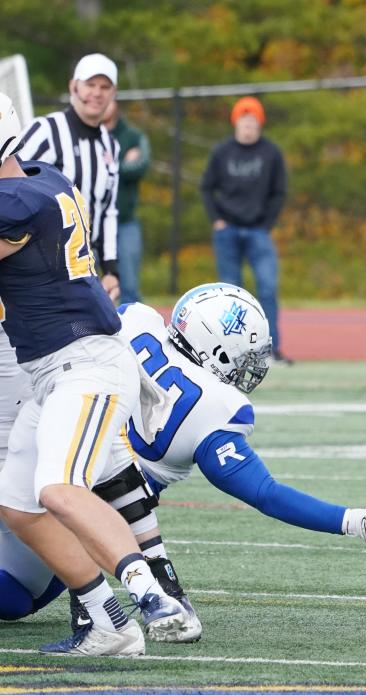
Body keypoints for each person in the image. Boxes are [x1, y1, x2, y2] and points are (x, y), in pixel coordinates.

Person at [0, 283, 366, 636]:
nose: (248, 368)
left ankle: (112, 605)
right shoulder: (216, 407)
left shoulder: (136, 320)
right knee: (19, 598)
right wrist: (346, 519)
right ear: (218, 348)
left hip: (43, 464)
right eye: (245, 356)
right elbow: (265, 493)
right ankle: (101, 609)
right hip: (80, 519)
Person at [0, 92, 190, 656]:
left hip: (84, 364)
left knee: (58, 487)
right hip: (56, 371)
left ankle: (150, 594)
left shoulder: (14, 204)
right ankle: (106, 621)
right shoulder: (43, 179)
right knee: (18, 504)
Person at [17, 53, 121, 302]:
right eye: (90, 85)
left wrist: (111, 269)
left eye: (105, 87)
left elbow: (107, 210)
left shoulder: (111, 146)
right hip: (37, 258)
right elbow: (10, 181)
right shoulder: (46, 130)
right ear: (73, 86)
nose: (97, 93)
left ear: (113, 94)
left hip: (82, 261)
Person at [201, 96, 289, 362]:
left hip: (258, 231)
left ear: (259, 124)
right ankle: (233, 350)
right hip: (227, 231)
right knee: (231, 293)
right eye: (244, 121)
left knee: (267, 288)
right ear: (236, 123)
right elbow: (206, 187)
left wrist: (266, 224)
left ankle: (269, 349)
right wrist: (217, 219)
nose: (248, 126)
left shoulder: (271, 153)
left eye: (253, 121)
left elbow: (279, 191)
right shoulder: (222, 152)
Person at [103, 100, 150, 304]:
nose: (100, 98)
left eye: (105, 90)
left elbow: (140, 166)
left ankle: (133, 332)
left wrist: (113, 165)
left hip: (125, 221)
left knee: (129, 285)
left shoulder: (133, 136)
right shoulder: (86, 135)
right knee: (85, 284)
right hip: (90, 223)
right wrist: (121, 163)